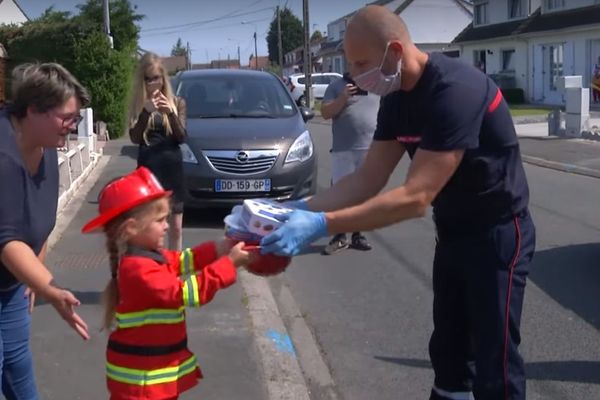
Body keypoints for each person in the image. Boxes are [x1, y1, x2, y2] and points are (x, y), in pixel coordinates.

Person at [260, 6, 535, 400]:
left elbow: (415, 197)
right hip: (453, 232)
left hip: (497, 234)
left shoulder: (456, 91)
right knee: (450, 352)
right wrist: (296, 210)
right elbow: (365, 180)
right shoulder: (395, 99)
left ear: (394, 51)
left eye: (360, 63)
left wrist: (323, 226)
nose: (353, 75)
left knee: (496, 362)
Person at [81, 167, 252, 400]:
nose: (167, 225)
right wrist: (229, 264)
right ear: (131, 227)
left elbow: (183, 260)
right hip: (143, 382)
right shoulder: (138, 269)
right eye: (160, 220)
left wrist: (219, 248)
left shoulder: (148, 256)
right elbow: (186, 293)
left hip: (151, 375)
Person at [0, 62, 90, 398]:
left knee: (18, 367)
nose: (72, 125)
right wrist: (49, 288)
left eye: (76, 118)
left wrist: (35, 269)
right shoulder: (3, 157)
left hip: (9, 284)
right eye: (67, 117)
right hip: (6, 265)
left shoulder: (46, 145)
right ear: (33, 109)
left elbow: (38, 222)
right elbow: (6, 240)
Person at [129, 52, 187, 251]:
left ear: (163, 78)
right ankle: (153, 269)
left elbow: (181, 137)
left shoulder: (178, 102)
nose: (153, 83)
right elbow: (135, 138)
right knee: (150, 226)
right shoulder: (138, 104)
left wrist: (170, 113)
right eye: (148, 79)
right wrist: (146, 112)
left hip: (172, 168)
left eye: (156, 78)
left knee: (176, 227)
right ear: (142, 81)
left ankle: (174, 272)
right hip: (148, 170)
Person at [319, 72, 379, 254]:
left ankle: (357, 235)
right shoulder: (336, 86)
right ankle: (339, 236)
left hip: (369, 148)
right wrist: (343, 98)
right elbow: (325, 113)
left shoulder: (376, 86)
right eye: (353, 63)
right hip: (343, 149)